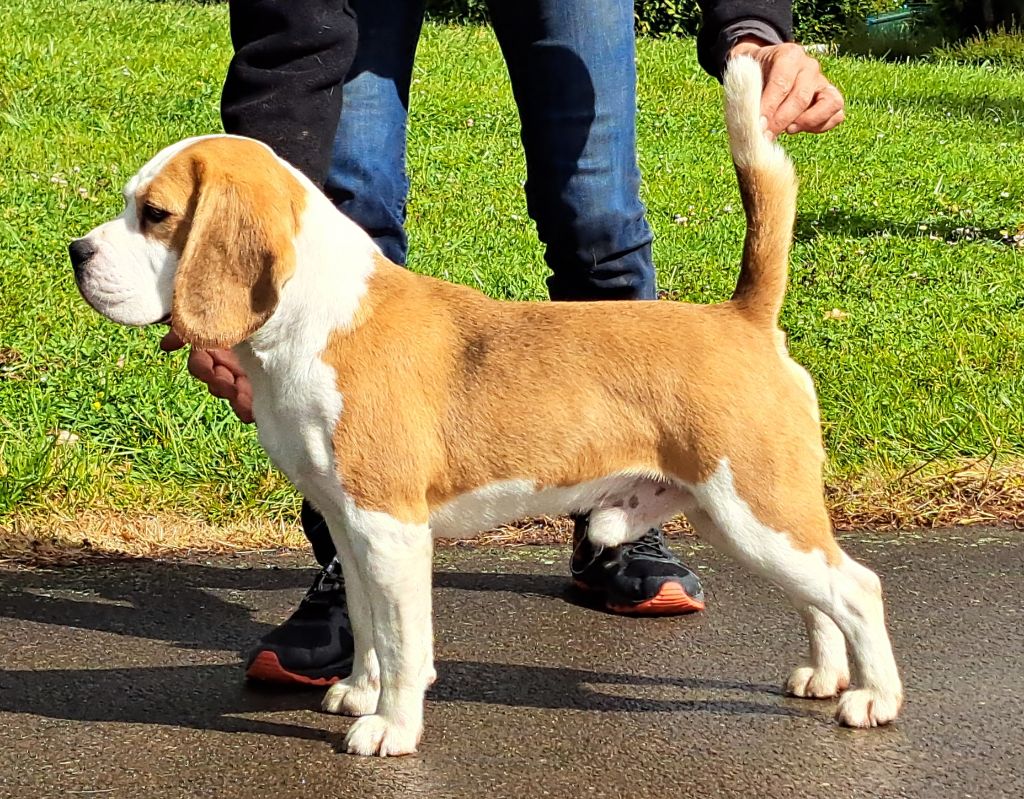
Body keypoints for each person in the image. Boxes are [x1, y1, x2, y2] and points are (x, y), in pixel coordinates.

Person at [161, 0, 845, 686]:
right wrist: (238, 277)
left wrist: (749, 28)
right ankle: (362, 547)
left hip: (708, 379)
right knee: (354, 196)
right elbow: (288, 36)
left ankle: (631, 508)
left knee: (598, 213)